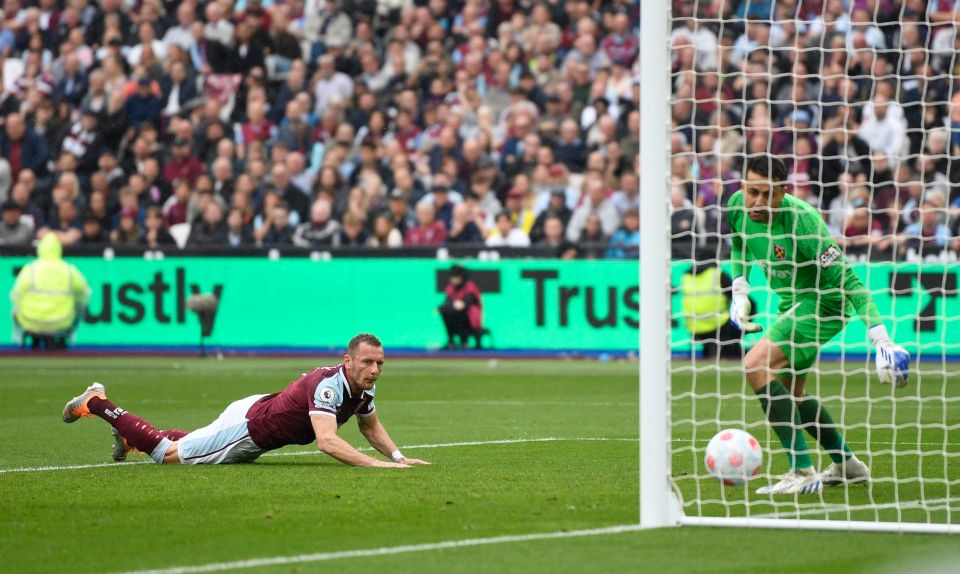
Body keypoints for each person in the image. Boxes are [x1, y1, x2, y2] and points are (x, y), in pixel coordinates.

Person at [726, 156, 910, 495]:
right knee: (791, 393)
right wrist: (740, 288)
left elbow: (850, 281)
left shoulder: (804, 221)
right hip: (791, 303)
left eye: (767, 195)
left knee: (755, 365)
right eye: (752, 191)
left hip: (824, 302)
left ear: (782, 192)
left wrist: (880, 338)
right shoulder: (737, 205)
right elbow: (739, 242)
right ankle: (848, 465)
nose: (757, 202)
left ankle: (801, 470)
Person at [62, 333, 430, 468]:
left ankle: (130, 439)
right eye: (368, 362)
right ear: (348, 361)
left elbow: (370, 425)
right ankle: (96, 402)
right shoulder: (329, 386)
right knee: (168, 454)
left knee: (194, 444)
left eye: (380, 363)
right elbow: (327, 441)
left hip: (256, 416)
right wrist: (378, 467)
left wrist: (398, 456)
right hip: (251, 428)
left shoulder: (363, 387)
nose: (375, 369)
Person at [10, 234, 91, 349]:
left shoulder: (30, 269)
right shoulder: (69, 270)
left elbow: (15, 295)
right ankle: (70, 337)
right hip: (62, 322)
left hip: (30, 321)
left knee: (15, 310)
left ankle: (17, 342)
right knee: (80, 307)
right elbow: (84, 294)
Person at [438, 265, 483, 349]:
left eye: (456, 277)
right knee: (445, 312)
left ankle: (464, 342)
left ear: (461, 277)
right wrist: (441, 307)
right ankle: (451, 341)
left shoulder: (469, 286)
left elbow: (467, 302)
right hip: (454, 317)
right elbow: (447, 301)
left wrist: (461, 304)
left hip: (470, 318)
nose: (453, 279)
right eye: (452, 277)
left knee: (460, 312)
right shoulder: (451, 287)